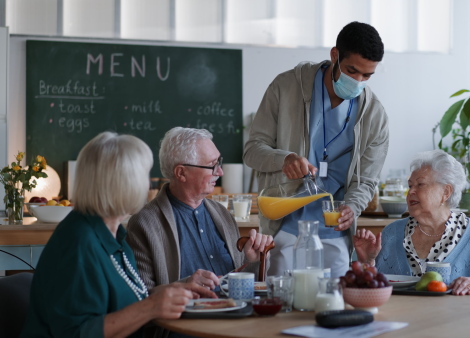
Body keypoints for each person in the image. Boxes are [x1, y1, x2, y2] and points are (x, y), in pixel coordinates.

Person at [21, 132, 215, 338]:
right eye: (143, 175)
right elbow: (78, 333)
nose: (148, 185)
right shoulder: (78, 242)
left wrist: (180, 288)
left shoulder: (114, 235)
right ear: (122, 184)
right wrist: (150, 307)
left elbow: (128, 300)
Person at [244, 21, 389, 278]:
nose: (358, 81)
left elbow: (366, 181)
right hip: (284, 229)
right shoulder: (286, 87)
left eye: (366, 76)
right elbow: (252, 151)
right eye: (352, 70)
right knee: (282, 308)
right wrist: (283, 158)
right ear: (335, 55)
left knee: (334, 309)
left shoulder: (374, 115)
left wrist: (352, 208)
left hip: (335, 234)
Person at [126, 127, 273, 335]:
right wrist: (183, 285)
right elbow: (138, 300)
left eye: (218, 163)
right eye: (212, 166)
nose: (219, 172)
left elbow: (242, 292)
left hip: (237, 328)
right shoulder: (145, 224)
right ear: (181, 173)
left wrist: (253, 261)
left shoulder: (222, 215)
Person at [354, 150, 470, 295]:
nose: (411, 192)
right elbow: (369, 290)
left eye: (420, 184)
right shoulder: (392, 233)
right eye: (410, 185)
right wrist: (367, 262)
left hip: (453, 318)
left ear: (446, 192)